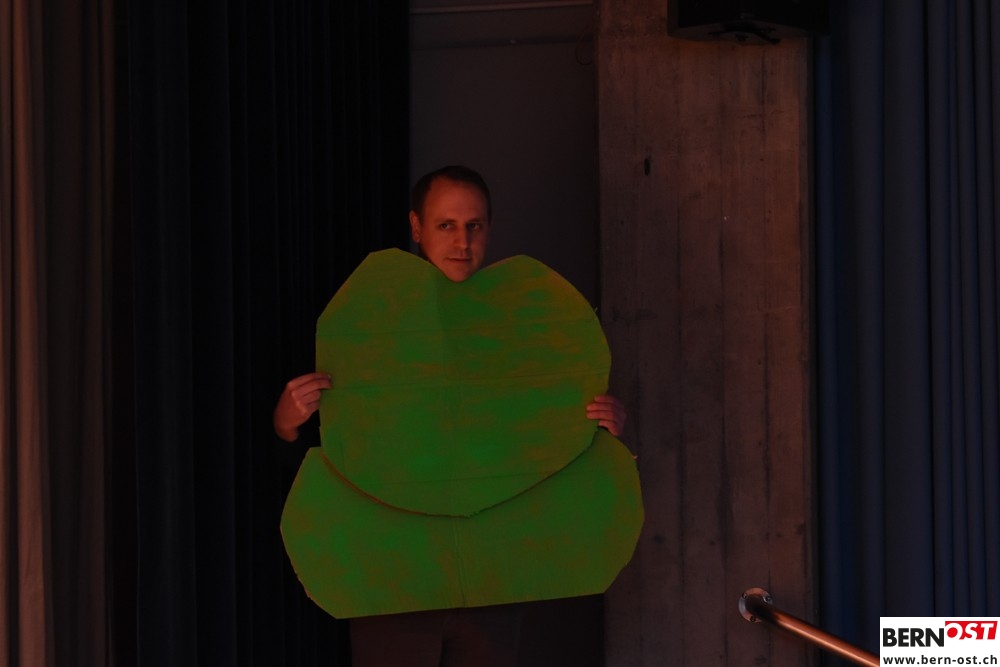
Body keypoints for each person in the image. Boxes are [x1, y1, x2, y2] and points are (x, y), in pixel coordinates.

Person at [273, 165, 626, 666]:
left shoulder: (526, 330)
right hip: (394, 579)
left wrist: (601, 433)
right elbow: (326, 462)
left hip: (491, 579)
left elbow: (549, 452)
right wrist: (286, 422)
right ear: (416, 227)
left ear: (489, 229)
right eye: (446, 225)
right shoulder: (367, 322)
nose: (462, 241)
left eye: (474, 225)